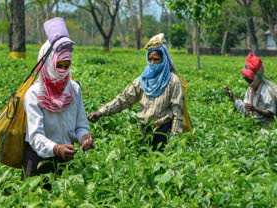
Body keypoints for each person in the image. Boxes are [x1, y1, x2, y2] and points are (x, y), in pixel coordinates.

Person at [22, 17, 94, 180]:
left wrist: (84, 137)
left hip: (65, 159)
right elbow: (35, 137)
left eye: (66, 66)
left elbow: (80, 125)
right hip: (38, 160)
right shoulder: (34, 94)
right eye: (58, 66)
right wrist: (55, 148)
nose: (62, 71)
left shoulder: (74, 89)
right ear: (47, 63)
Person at [88, 33, 184, 151]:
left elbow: (177, 113)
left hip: (163, 132)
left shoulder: (173, 81)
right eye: (150, 59)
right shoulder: (142, 80)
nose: (153, 63)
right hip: (144, 131)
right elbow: (123, 99)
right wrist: (101, 112)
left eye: (157, 59)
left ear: (163, 60)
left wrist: (174, 140)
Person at [224, 53, 276, 129]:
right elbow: (245, 109)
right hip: (252, 126)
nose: (248, 83)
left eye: (250, 80)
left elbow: (271, 113)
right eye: (247, 80)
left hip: (267, 129)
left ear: (257, 77)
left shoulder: (267, 91)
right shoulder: (250, 89)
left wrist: (255, 109)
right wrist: (232, 96)